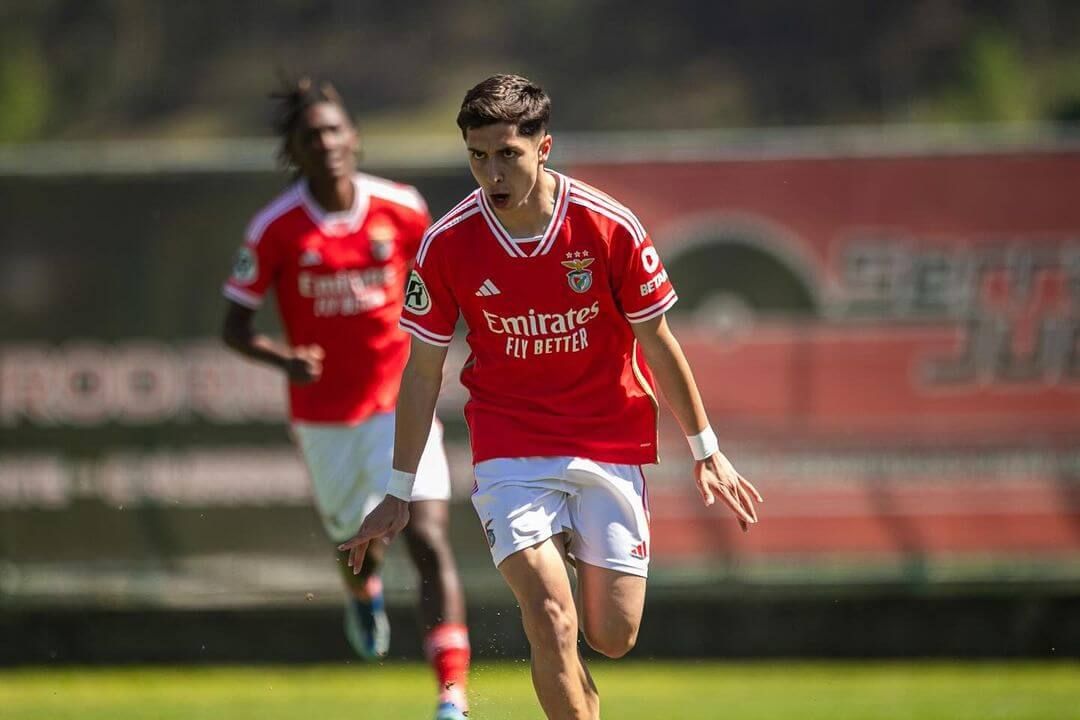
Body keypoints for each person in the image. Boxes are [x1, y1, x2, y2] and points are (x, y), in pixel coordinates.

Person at [339, 74, 763, 720]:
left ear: (544, 147)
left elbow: (657, 342)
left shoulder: (608, 226)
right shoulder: (447, 244)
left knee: (612, 635)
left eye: (507, 154)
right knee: (549, 616)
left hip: (607, 438)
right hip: (511, 445)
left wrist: (707, 450)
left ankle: (573, 592)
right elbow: (423, 372)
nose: (492, 173)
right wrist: (399, 489)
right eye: (478, 156)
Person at [221, 76, 470, 720]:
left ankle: (451, 697)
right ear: (295, 152)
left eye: (335, 130)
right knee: (359, 548)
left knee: (428, 538)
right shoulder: (275, 228)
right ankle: (363, 595)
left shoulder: (402, 206)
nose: (326, 143)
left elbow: (443, 286)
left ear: (354, 137)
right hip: (326, 420)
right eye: (312, 136)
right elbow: (235, 328)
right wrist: (285, 359)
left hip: (401, 404)